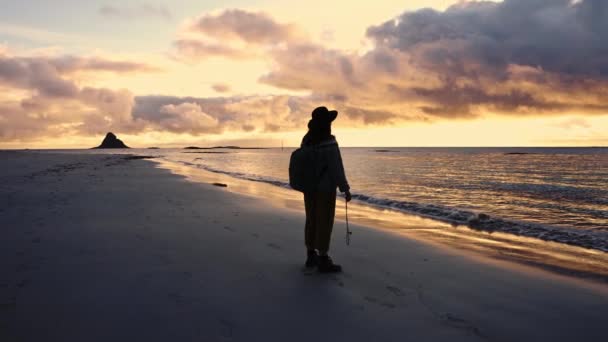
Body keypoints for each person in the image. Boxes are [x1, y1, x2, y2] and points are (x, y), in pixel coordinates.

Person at [301, 106, 352, 273]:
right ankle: (323, 259)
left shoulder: (306, 140)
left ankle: (310, 255)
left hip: (309, 188)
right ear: (327, 123)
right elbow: (337, 168)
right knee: (324, 221)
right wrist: (345, 189)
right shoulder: (329, 142)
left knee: (311, 219)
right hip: (325, 189)